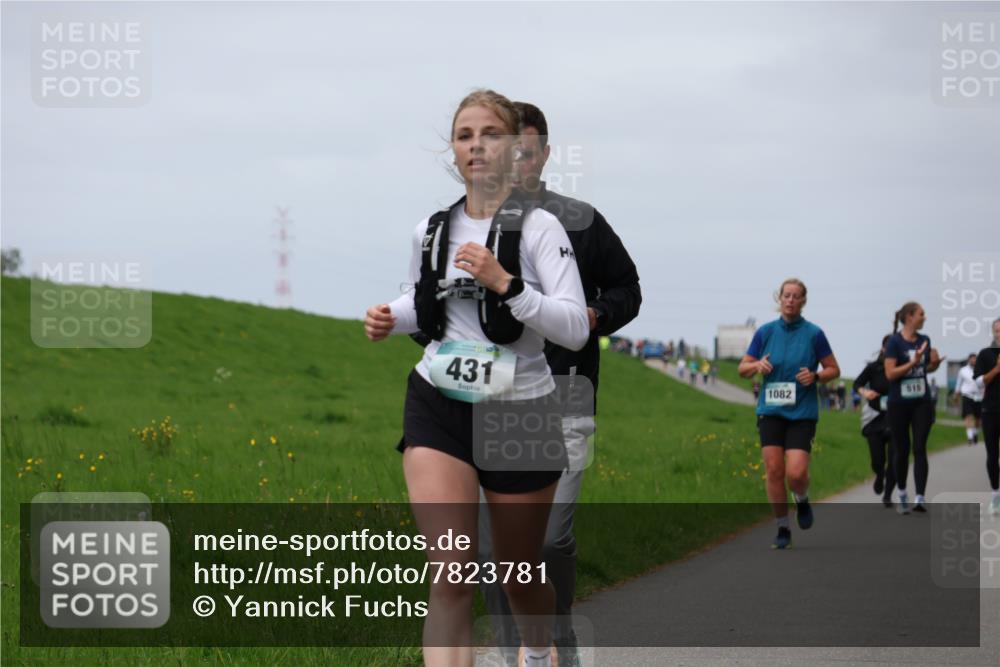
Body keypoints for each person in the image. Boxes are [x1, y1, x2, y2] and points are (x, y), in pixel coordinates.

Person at [364, 89, 589, 667]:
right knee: (452, 574)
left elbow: (573, 329)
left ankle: (538, 650)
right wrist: (391, 318)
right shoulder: (431, 231)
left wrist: (507, 285)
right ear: (454, 151)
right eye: (465, 135)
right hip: (438, 400)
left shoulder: (540, 230)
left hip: (520, 409)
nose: (476, 146)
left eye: (490, 133)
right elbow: (427, 305)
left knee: (517, 575)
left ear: (515, 147)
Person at [477, 101, 642, 667]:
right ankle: (510, 653)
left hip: (567, 399)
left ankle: (555, 640)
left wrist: (594, 315)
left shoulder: (581, 220)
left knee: (547, 541)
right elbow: (436, 305)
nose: (515, 163)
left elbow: (628, 288)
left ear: (545, 155)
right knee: (495, 547)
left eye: (525, 152)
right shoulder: (471, 224)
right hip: (495, 400)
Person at [738, 278, 840, 549]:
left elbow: (834, 369)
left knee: (795, 473)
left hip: (802, 412)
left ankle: (802, 498)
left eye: (796, 296)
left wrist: (816, 376)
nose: (791, 300)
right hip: (770, 410)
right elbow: (742, 368)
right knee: (773, 469)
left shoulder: (814, 334)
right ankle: (783, 528)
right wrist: (757, 364)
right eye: (787, 295)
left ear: (803, 301)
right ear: (779, 299)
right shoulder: (765, 332)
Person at [884, 302, 944, 515]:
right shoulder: (894, 342)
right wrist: (913, 363)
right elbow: (890, 374)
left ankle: (919, 497)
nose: (924, 317)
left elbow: (924, 368)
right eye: (921, 314)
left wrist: (933, 365)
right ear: (909, 317)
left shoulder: (924, 340)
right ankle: (902, 493)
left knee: (919, 447)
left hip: (921, 401)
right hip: (898, 403)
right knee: (902, 450)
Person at [854, 335, 896, 508]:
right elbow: (857, 383)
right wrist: (865, 393)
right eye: (890, 347)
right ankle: (879, 475)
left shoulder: (903, 369)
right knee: (877, 460)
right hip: (874, 417)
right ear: (883, 348)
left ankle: (888, 495)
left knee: (895, 460)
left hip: (895, 418)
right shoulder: (873, 368)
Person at [973, 318, 1000, 515]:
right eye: (997, 331)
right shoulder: (985, 354)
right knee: (993, 455)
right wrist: (996, 370)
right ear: (993, 333)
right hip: (990, 410)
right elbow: (979, 383)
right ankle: (996, 495)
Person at [954, 353, 984, 446]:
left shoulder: (981, 370)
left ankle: (975, 434)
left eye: (975, 359)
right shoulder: (963, 371)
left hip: (979, 396)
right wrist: (956, 394)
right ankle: (970, 437)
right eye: (972, 359)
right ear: (969, 360)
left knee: (978, 419)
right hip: (967, 396)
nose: (974, 361)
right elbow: (959, 383)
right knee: (969, 416)